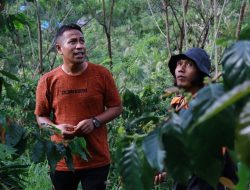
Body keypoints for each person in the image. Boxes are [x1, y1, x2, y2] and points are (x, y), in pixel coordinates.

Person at [35, 23, 122, 190]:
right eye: (73, 42)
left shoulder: (101, 74)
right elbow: (41, 116)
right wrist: (56, 129)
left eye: (82, 41)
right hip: (62, 158)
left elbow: (116, 107)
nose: (80, 46)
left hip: (96, 158)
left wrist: (95, 122)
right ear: (59, 49)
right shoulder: (48, 80)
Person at [167, 48, 238, 190]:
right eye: (179, 64)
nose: (181, 68)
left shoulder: (214, 102)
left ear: (201, 73)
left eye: (189, 64)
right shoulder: (177, 101)